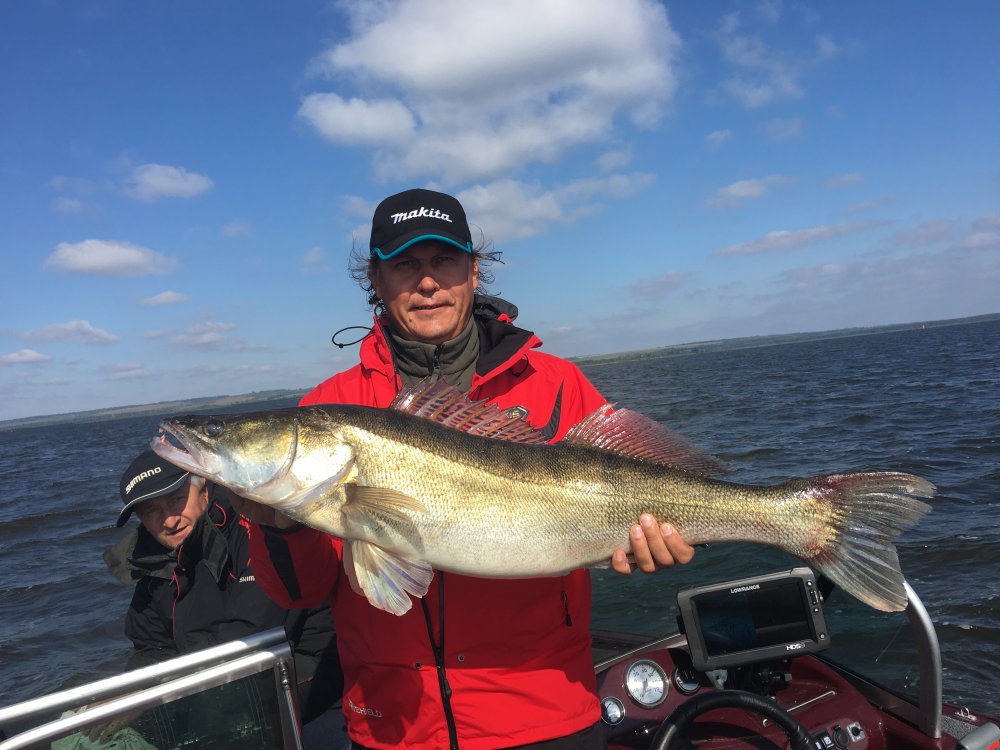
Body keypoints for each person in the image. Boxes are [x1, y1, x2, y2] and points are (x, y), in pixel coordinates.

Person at [237, 188, 696, 749]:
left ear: (474, 271)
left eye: (444, 260)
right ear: (376, 280)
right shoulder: (329, 407)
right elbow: (301, 593)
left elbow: (635, 494)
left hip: (546, 713)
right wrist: (278, 524)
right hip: (394, 725)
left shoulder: (556, 384)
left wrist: (650, 544)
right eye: (405, 265)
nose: (427, 282)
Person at [102, 449, 344, 738]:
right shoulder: (152, 561)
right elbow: (151, 646)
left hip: (300, 667)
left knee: (203, 718)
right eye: (152, 511)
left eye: (176, 500)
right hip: (208, 677)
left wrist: (167, 686)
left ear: (203, 487)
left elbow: (253, 633)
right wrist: (133, 689)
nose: (169, 520)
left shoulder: (253, 524)